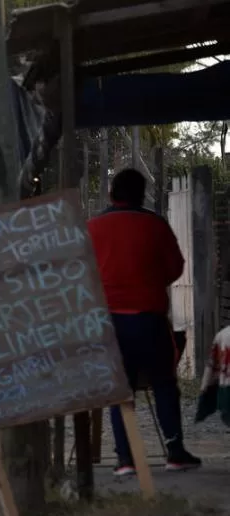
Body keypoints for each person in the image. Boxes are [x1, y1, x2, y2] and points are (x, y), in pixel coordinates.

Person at [88, 167, 201, 475]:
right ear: (142, 195)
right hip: (150, 320)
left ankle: (125, 459)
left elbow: (81, 275)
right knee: (164, 384)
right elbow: (175, 268)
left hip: (109, 324)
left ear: (112, 193)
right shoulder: (155, 225)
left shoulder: (93, 227)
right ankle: (175, 452)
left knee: (120, 392)